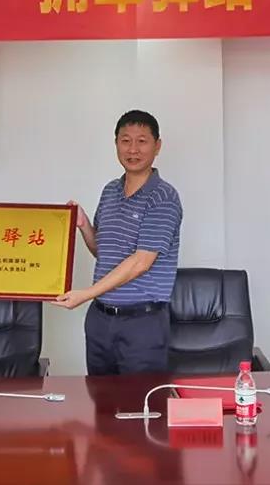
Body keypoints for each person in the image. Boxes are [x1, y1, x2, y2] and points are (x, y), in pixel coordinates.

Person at [54, 110, 183, 375]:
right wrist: (83, 225)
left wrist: (86, 293)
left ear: (157, 146)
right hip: (100, 320)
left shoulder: (163, 197)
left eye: (142, 141)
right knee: (100, 397)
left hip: (142, 323)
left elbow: (141, 262)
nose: (133, 149)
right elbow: (103, 252)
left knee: (142, 399)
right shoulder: (110, 191)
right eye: (125, 140)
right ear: (116, 144)